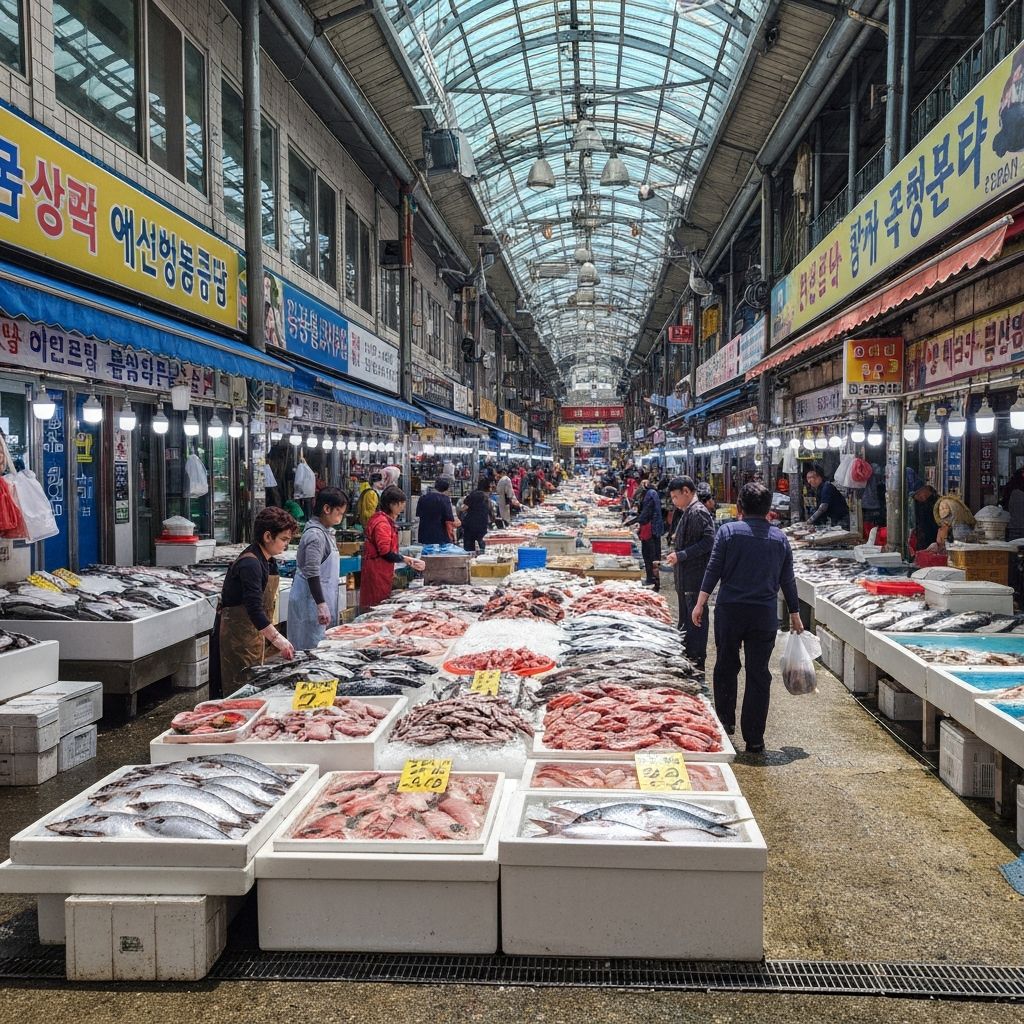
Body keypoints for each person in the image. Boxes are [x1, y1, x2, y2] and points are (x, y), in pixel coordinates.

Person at [691, 482, 803, 754]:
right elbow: (788, 579)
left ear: (740, 506)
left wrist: (700, 602)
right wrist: (795, 614)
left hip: (730, 611)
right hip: (763, 615)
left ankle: (726, 725)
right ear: (769, 510)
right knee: (758, 674)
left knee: (726, 666)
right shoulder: (779, 538)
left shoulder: (728, 532)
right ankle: (755, 738)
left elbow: (713, 568)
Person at [211, 506, 299, 697]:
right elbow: (254, 608)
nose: (286, 545)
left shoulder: (268, 560)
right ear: (268, 536)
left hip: (254, 634)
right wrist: (277, 639)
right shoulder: (250, 563)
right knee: (239, 690)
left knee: (253, 685)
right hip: (238, 637)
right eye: (284, 539)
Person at [665, 476, 715, 668]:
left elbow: (709, 541)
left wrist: (682, 554)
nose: (675, 502)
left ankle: (697, 665)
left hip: (694, 581)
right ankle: (691, 662)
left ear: (687, 492)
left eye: (676, 497)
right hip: (686, 581)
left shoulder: (698, 512)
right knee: (687, 626)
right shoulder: (689, 511)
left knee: (695, 627)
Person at [288, 487, 347, 651]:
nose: (341, 517)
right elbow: (312, 572)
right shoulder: (315, 536)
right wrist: (321, 604)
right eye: (339, 513)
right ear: (326, 509)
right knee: (310, 652)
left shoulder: (325, 533)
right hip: (310, 604)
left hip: (317, 602)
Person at [362, 485, 425, 608]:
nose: (402, 506)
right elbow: (385, 552)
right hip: (377, 572)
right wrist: (406, 560)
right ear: (392, 504)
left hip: (382, 569)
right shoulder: (382, 524)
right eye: (400, 503)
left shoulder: (383, 520)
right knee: (376, 607)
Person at [630, 473, 665, 590]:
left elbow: (646, 513)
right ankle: (653, 580)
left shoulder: (650, 494)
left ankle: (653, 581)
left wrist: (634, 522)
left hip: (651, 530)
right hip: (654, 529)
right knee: (652, 555)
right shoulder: (652, 493)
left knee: (651, 556)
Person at [804, 463, 850, 530]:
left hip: (842, 519)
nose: (810, 482)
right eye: (808, 479)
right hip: (834, 518)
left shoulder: (826, 487)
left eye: (812, 479)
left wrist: (810, 520)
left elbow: (823, 507)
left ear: (819, 477)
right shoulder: (819, 488)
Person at [417, 477, 458, 546]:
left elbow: (418, 513)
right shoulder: (445, 499)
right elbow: (449, 517)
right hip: (439, 533)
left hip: (424, 531)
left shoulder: (423, 498)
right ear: (447, 488)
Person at [460, 478, 494, 552]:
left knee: (469, 547)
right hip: (482, 525)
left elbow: (464, 508)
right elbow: (490, 512)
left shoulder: (473, 494)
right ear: (487, 487)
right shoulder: (486, 497)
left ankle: (470, 560)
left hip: (470, 524)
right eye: (491, 486)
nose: (492, 488)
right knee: (483, 545)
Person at [911, 482, 940, 550]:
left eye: (919, 493)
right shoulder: (917, 504)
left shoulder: (939, 503)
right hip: (923, 543)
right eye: (915, 495)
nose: (918, 496)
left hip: (936, 542)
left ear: (926, 488)